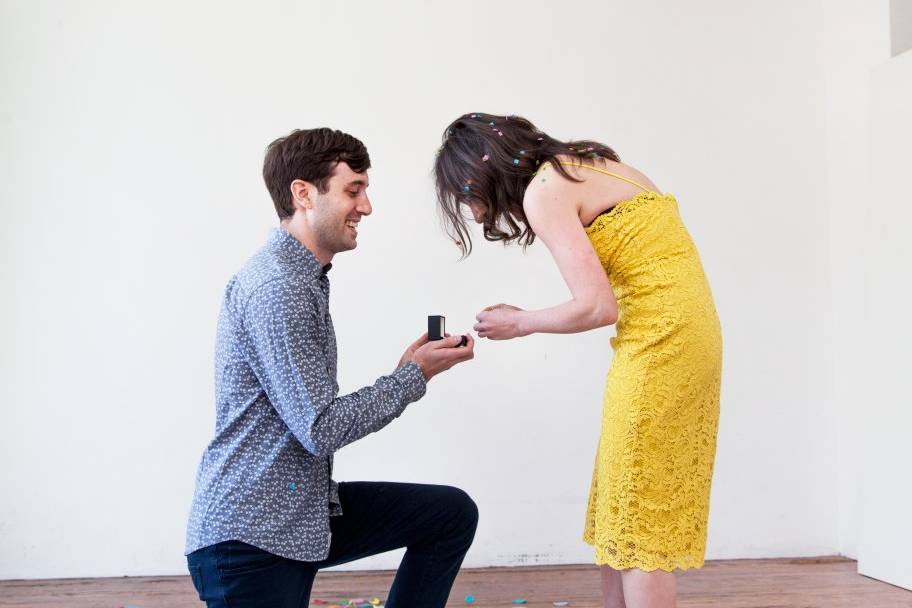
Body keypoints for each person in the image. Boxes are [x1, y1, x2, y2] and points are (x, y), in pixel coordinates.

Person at [434, 113, 722, 608]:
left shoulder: (544, 192)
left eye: (468, 197)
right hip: (684, 335)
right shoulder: (588, 164)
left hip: (663, 342)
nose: (477, 216)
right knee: (623, 499)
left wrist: (518, 323)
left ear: (482, 174)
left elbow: (596, 306)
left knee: (640, 515)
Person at [185, 128, 478, 607]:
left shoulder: (303, 279)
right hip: (251, 540)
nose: (366, 207)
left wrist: (409, 368)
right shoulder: (278, 289)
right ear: (303, 194)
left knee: (449, 514)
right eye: (353, 190)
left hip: (299, 514)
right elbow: (319, 428)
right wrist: (413, 376)